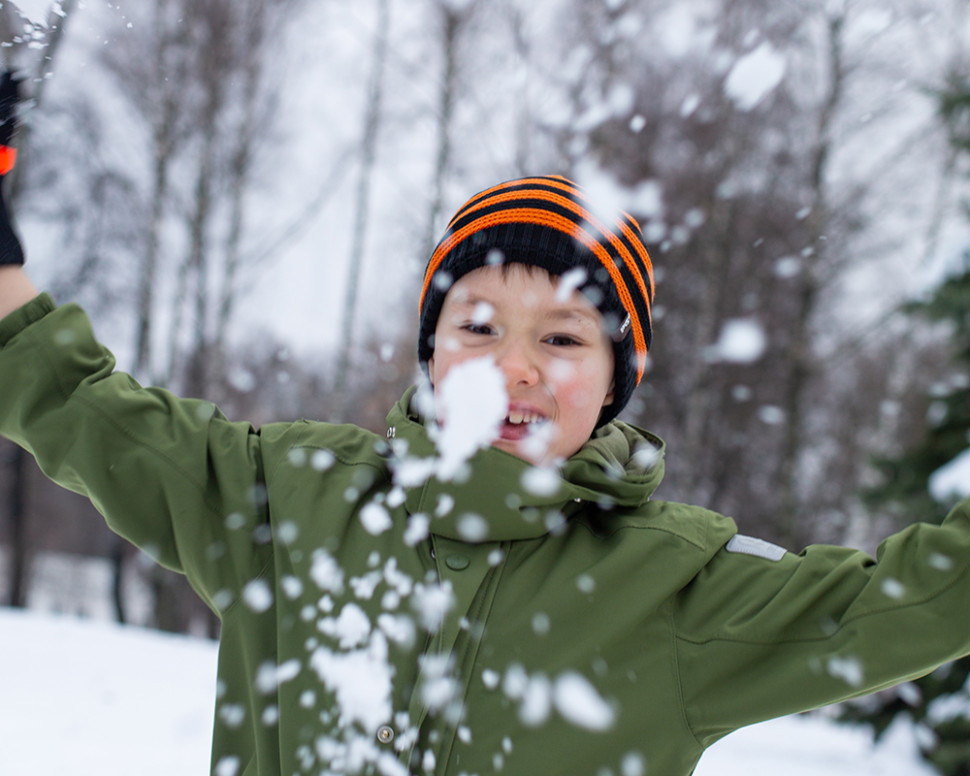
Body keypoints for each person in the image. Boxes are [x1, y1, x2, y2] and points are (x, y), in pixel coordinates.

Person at [2, 72, 969, 776]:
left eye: (562, 337)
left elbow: (923, 598)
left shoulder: (679, 589)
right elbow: (84, 409)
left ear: (616, 381)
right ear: (432, 354)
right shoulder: (287, 500)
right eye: (478, 327)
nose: (515, 366)